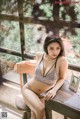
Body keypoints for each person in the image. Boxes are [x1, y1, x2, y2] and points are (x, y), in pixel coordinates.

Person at [21, 35, 68, 119]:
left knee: (35, 115)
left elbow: (62, 78)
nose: (55, 52)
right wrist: (21, 65)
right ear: (46, 47)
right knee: (40, 110)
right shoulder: (40, 55)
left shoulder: (61, 60)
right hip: (29, 89)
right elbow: (36, 67)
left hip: (43, 95)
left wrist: (54, 90)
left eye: (58, 48)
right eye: (51, 48)